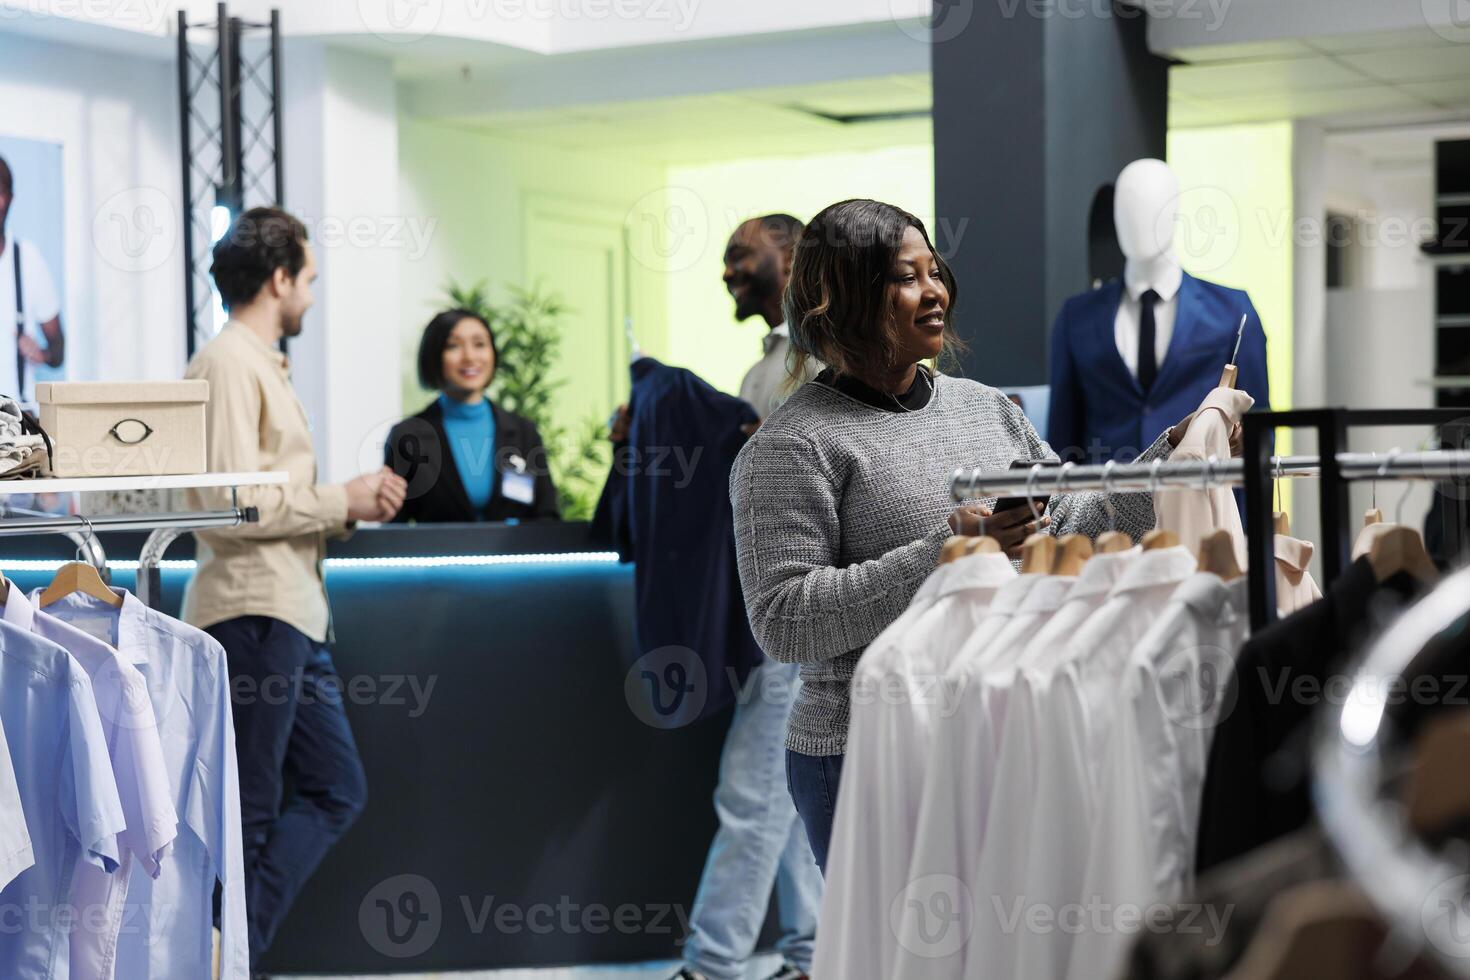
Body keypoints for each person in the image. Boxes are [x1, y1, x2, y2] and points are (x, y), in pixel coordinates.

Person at [729, 199, 1202, 871]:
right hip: (865, 750)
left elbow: (1071, 521)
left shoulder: (986, 410)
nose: (935, 292)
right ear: (842, 297)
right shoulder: (792, 446)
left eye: (935, 271)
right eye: (905, 277)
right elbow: (783, 622)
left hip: (993, 734)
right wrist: (944, 553)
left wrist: (1170, 461)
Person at [181, 206, 408, 968]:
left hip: (289, 616)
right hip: (252, 615)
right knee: (246, 812)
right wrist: (339, 498)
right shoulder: (226, 362)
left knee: (335, 789)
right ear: (279, 279)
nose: (311, 294)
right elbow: (228, 508)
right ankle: (223, 959)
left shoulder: (258, 364)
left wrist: (344, 509)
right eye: (307, 278)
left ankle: (225, 953)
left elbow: (262, 500)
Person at [614, 214, 822, 980]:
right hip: (771, 609)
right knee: (790, 798)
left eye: (741, 255)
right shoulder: (769, 363)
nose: (729, 271)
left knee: (754, 791)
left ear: (791, 257)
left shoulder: (820, 359)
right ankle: (813, 955)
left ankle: (714, 965)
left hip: (801, 612)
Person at [384, 308, 560, 522]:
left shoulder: (523, 431)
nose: (469, 357)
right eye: (453, 346)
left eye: (479, 344)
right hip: (439, 554)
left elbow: (546, 515)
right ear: (433, 356)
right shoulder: (408, 436)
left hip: (514, 554)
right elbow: (394, 528)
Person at [0, 155, 64, 404]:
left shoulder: (28, 260)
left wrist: (43, 354)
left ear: (9, 200)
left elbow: (59, 351)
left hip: (18, 422)